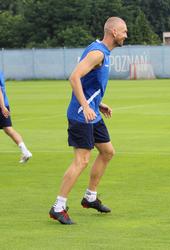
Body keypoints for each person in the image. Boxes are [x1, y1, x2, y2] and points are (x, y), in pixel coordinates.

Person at [49, 17, 128, 225]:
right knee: (81, 161)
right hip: (81, 115)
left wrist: (98, 104)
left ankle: (90, 197)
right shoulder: (98, 53)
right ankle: (58, 207)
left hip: (93, 113)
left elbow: (87, 82)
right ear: (113, 32)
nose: (126, 35)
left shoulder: (103, 51)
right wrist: (85, 105)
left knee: (107, 152)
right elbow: (74, 77)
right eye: (124, 31)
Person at [0, 70, 32, 163]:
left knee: (9, 130)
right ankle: (25, 151)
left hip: (1, 105)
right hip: (5, 104)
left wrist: (2, 107)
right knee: (8, 129)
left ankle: (25, 152)